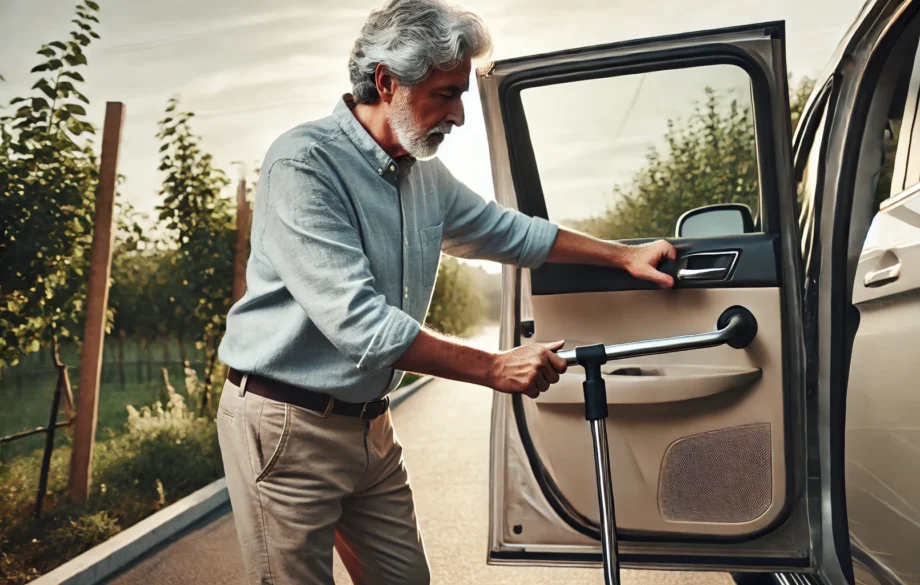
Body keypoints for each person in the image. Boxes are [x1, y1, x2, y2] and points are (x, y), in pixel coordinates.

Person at [215, 0, 677, 583]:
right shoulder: (305, 164)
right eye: (445, 93)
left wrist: (624, 255)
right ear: (387, 82)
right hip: (287, 424)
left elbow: (510, 232)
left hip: (369, 426)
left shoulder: (420, 171)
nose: (459, 116)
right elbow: (362, 325)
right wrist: (493, 367)